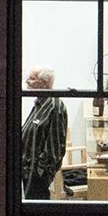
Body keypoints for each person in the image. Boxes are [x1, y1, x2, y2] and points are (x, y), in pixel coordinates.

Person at [20, 66, 68, 200]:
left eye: (31, 78)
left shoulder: (54, 106)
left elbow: (55, 146)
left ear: (44, 83)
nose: (27, 82)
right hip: (28, 170)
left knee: (36, 207)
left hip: (36, 174)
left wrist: (40, 171)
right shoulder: (39, 103)